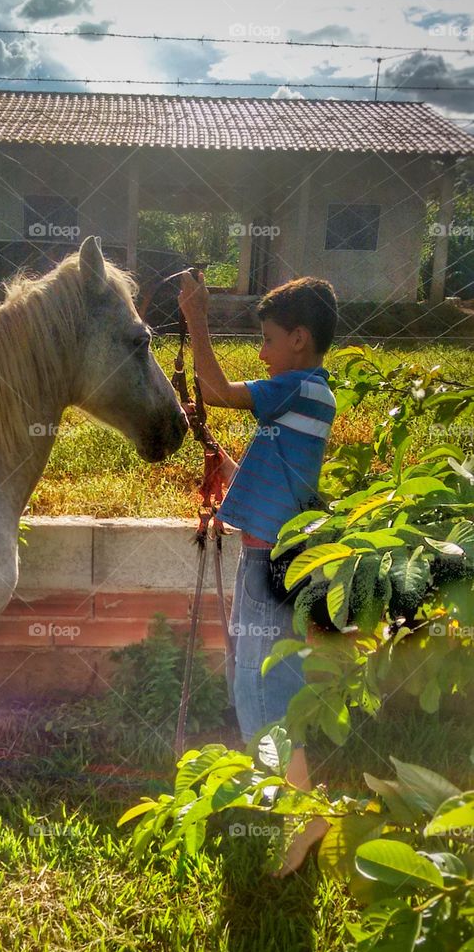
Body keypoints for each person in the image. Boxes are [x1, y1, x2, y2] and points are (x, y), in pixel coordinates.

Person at [178, 271, 338, 874]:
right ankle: (282, 798)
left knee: (264, 685)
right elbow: (278, 473)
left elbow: (215, 389)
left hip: (270, 563)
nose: (262, 352)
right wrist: (226, 463)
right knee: (259, 678)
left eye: (268, 339)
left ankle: (306, 814)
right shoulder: (307, 397)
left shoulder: (298, 387)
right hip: (269, 559)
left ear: (299, 339)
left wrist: (196, 318)